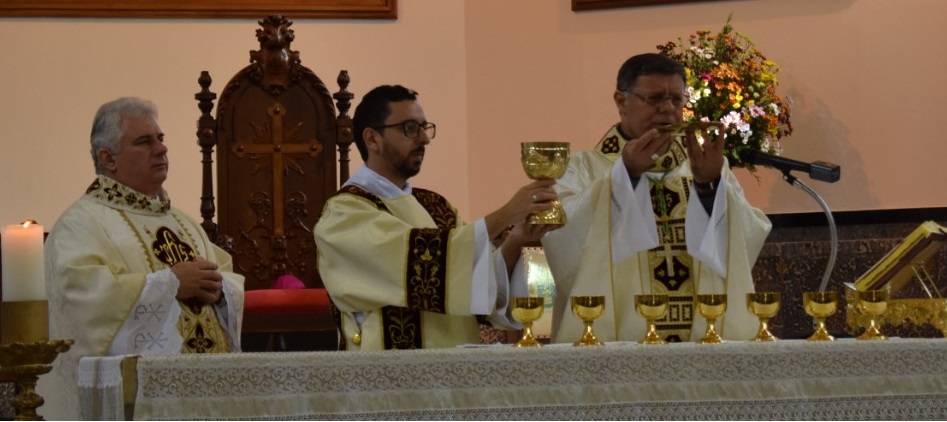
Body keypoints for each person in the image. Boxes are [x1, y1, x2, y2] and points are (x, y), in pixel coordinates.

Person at [541, 53, 771, 344]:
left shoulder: (707, 166)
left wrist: (709, 188)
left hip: (701, 343)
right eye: (654, 99)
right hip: (618, 349)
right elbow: (563, 241)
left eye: (676, 99)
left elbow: (743, 241)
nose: (667, 108)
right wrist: (626, 177)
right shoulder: (583, 169)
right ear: (621, 101)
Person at [38, 97, 244, 420]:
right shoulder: (80, 225)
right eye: (144, 142)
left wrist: (220, 289)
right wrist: (170, 284)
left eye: (160, 139)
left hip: (207, 397)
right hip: (134, 406)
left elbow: (225, 275)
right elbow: (80, 300)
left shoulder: (184, 223)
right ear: (108, 159)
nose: (161, 149)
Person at [314, 84, 559, 350]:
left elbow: (474, 286)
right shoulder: (343, 215)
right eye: (410, 128)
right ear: (372, 139)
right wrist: (504, 215)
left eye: (424, 127)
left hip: (454, 375)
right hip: (388, 380)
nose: (424, 139)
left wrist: (516, 240)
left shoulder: (436, 206)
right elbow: (417, 261)